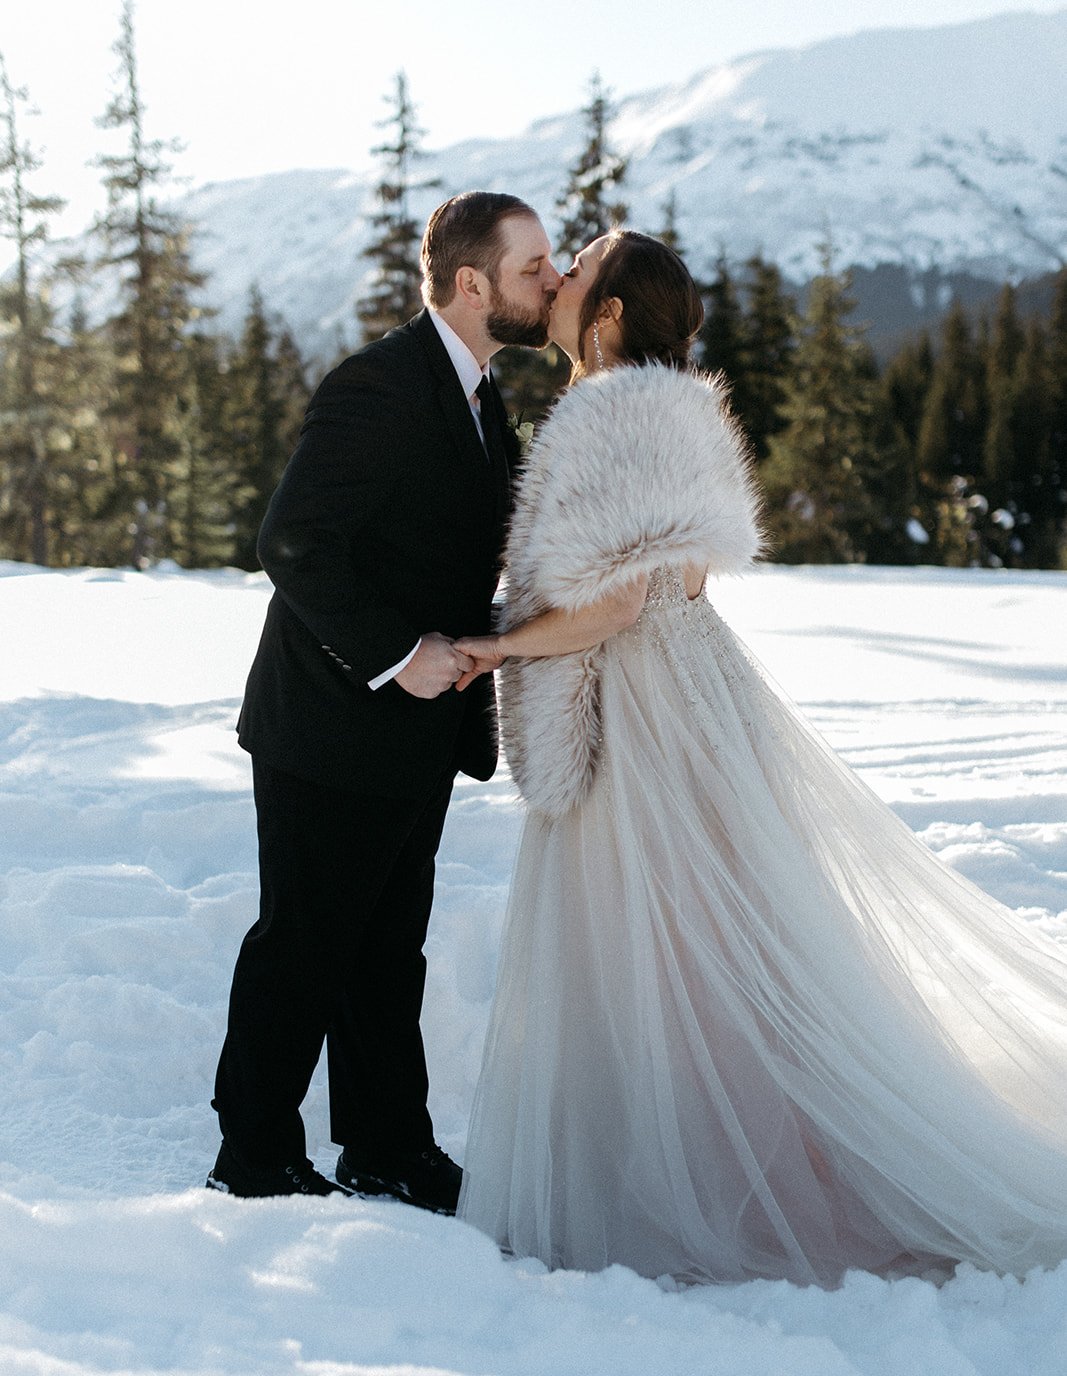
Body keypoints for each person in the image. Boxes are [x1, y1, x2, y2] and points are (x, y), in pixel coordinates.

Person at [453, 229, 1067, 1286]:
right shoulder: (680, 404)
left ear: (603, 316)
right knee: (722, 940)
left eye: (579, 264)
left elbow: (613, 602)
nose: (556, 276)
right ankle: (754, 1153)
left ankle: (690, 1181)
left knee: (658, 947)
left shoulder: (607, 408)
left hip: (640, 709)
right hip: (700, 694)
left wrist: (494, 646)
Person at [207, 191, 561, 1205]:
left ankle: (384, 1146)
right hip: (329, 721)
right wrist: (396, 653)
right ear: (470, 283)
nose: (549, 281)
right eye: (532, 266)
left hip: (414, 730)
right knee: (305, 942)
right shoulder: (379, 385)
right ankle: (255, 1155)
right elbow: (292, 542)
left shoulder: (480, 395)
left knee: (384, 950)